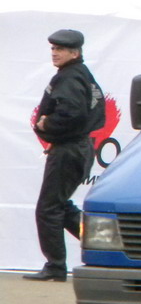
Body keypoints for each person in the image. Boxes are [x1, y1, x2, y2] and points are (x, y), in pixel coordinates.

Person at [24, 29, 105, 281]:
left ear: (75, 52)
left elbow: (72, 114)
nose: (54, 53)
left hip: (69, 149)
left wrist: (45, 125)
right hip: (78, 148)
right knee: (60, 206)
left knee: (48, 209)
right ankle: (106, 241)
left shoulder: (69, 78)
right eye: (52, 48)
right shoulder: (80, 75)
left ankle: (56, 266)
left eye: (59, 49)